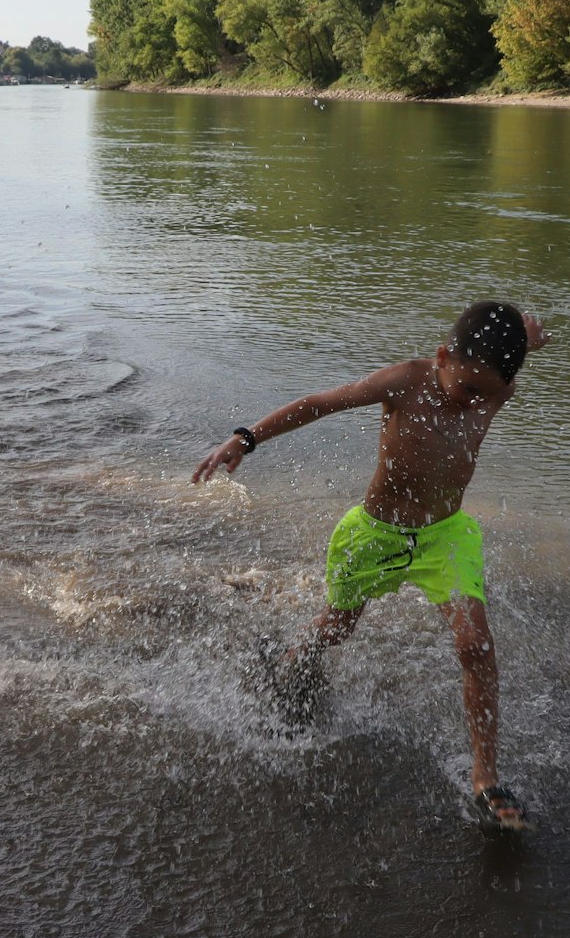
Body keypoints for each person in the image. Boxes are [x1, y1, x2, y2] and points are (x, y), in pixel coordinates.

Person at [192, 300, 549, 831]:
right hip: (373, 535)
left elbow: (508, 352)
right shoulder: (407, 381)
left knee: (474, 643)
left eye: (489, 394)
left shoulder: (498, 383)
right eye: (467, 388)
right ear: (442, 356)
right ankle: (291, 667)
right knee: (336, 628)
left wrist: (527, 339)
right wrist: (244, 439)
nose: (476, 401)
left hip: (445, 537)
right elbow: (319, 403)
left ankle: (486, 779)